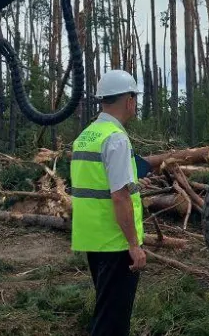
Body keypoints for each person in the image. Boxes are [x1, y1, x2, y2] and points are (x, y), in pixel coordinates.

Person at [71, 69, 145, 336]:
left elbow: (97, 186)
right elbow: (119, 196)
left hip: (93, 239)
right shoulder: (116, 138)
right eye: (134, 97)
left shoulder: (87, 136)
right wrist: (134, 245)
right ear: (128, 100)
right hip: (116, 243)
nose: (135, 103)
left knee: (106, 310)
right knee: (112, 323)